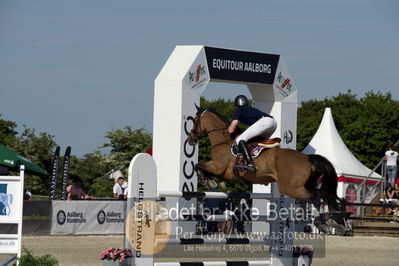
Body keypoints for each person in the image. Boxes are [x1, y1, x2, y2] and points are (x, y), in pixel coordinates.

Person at [227, 95, 277, 172]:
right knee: (259, 141)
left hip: (264, 122)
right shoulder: (251, 109)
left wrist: (227, 129)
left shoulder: (239, 110)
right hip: (273, 122)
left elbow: (231, 130)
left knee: (240, 139)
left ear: (237, 105)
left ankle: (250, 164)